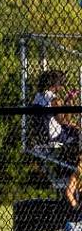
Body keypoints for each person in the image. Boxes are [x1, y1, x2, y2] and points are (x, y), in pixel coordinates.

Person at [31, 70, 81, 207]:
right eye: (60, 84)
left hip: (42, 136)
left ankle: (70, 170)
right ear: (55, 84)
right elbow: (63, 120)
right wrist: (69, 103)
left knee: (74, 129)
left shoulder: (38, 96)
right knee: (78, 133)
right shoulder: (53, 99)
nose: (61, 87)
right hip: (55, 135)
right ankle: (76, 169)